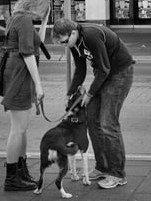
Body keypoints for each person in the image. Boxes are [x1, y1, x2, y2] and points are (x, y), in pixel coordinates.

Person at [52, 18, 135, 189]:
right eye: (62, 43)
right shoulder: (74, 43)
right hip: (104, 75)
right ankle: (102, 167)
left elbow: (105, 68)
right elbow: (80, 69)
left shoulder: (91, 36)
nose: (65, 45)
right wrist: (70, 93)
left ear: (73, 32)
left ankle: (117, 174)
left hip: (120, 74)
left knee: (107, 124)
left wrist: (89, 94)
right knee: (92, 121)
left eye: (65, 41)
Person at [2, 0, 50, 192]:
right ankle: (12, 177)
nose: (43, 13)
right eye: (43, 10)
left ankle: (20, 171)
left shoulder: (17, 18)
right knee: (18, 129)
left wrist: (45, 21)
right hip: (20, 74)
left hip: (16, 72)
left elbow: (37, 42)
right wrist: (39, 85)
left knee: (21, 128)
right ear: (37, 6)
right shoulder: (23, 22)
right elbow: (28, 53)